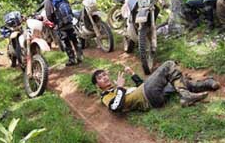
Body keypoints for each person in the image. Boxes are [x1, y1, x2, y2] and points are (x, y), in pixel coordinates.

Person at [92, 61, 220, 113]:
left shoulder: (115, 90)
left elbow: (141, 85)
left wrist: (132, 74)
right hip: (148, 97)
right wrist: (120, 87)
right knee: (169, 65)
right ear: (98, 85)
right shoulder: (106, 97)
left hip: (152, 95)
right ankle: (186, 96)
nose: (104, 77)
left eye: (104, 75)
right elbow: (115, 107)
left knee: (177, 81)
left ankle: (206, 84)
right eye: (100, 78)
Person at [43, 0, 83, 66]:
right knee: (74, 39)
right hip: (69, 21)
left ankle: (72, 59)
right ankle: (80, 57)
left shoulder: (48, 1)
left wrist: (53, 22)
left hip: (60, 24)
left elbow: (49, 15)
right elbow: (68, 4)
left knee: (66, 42)